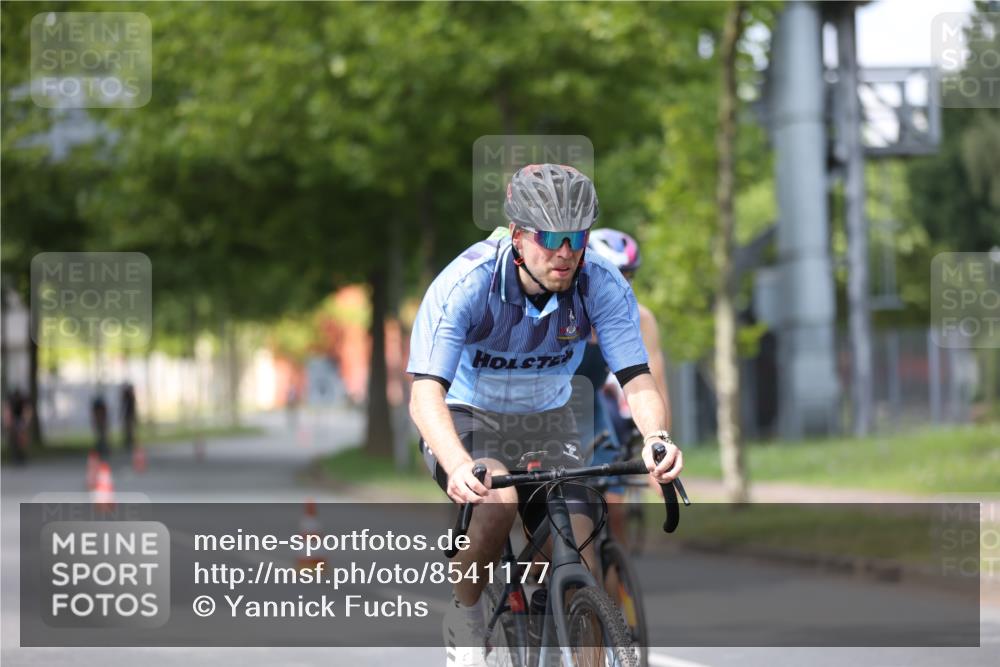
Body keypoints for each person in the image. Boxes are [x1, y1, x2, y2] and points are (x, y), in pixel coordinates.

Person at [407, 164, 681, 666]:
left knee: (581, 543)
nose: (565, 251)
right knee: (497, 502)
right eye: (551, 236)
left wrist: (656, 437)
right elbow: (424, 395)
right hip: (468, 412)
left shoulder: (601, 283)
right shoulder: (467, 284)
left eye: (577, 237)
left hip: (548, 414)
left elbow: (637, 378)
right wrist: (458, 463)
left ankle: (565, 627)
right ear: (516, 235)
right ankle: (465, 614)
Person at [583, 229, 671, 546]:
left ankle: (611, 593)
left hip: (593, 411)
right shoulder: (566, 309)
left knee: (615, 511)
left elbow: (654, 385)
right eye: (613, 273)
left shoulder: (641, 318)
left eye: (628, 275)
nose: (622, 283)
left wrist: (660, 447)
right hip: (549, 410)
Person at [120, 382, 138, 454]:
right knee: (129, 429)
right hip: (128, 415)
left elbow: (132, 407)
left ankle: (130, 441)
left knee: (130, 429)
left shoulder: (130, 397)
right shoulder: (129, 396)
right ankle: (129, 441)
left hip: (130, 415)